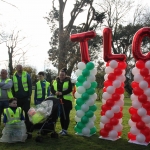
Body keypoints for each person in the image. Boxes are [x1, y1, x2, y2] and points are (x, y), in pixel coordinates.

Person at [12, 64, 32, 138]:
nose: (20, 68)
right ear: (16, 68)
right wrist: (14, 97)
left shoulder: (26, 75)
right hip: (17, 98)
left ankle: (28, 131)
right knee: (18, 114)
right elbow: (13, 88)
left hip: (26, 98)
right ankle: (19, 130)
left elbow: (30, 85)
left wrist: (29, 95)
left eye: (21, 67)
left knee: (27, 114)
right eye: (18, 67)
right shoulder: (13, 76)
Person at [51, 68, 73, 136]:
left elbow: (70, 89)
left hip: (66, 101)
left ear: (65, 75)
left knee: (65, 115)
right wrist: (56, 92)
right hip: (58, 101)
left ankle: (65, 130)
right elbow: (52, 89)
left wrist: (62, 93)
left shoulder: (68, 81)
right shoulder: (55, 81)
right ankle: (62, 129)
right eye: (60, 75)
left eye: (63, 75)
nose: (61, 76)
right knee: (61, 116)